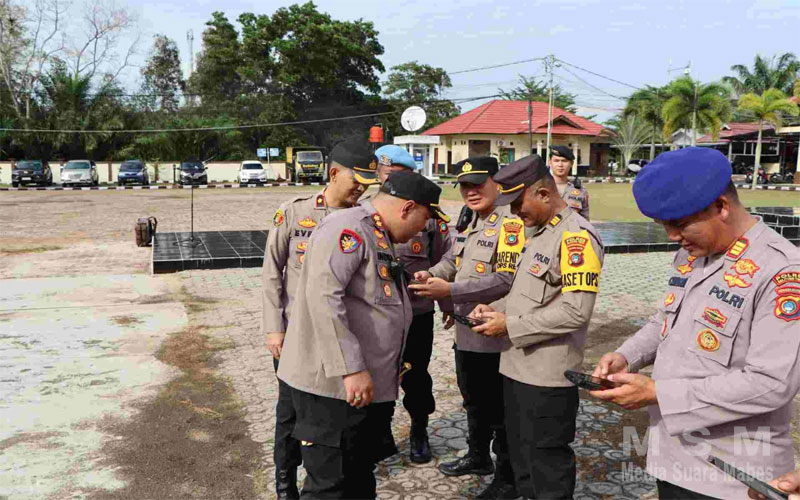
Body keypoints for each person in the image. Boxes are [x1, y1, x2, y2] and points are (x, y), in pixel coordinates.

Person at [590, 147, 800, 499]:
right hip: (672, 457)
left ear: (721, 206)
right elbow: (666, 319)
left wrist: (658, 394)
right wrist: (626, 356)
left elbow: (771, 383)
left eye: (679, 224)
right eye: (664, 226)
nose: (672, 236)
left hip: (734, 476)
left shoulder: (781, 271)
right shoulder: (692, 255)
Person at [277, 171, 448, 499]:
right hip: (334, 391)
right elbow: (323, 297)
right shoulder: (349, 228)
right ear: (407, 208)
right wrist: (351, 367)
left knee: (357, 479)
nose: (421, 230)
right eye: (424, 219)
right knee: (331, 486)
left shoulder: (377, 232)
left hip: (357, 394)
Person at [464, 154, 603, 499]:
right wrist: (494, 309)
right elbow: (526, 294)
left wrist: (509, 326)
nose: (514, 213)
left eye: (518, 203)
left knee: (547, 467)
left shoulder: (576, 237)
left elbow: (575, 312)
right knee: (522, 459)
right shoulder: (539, 232)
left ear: (543, 193)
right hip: (516, 368)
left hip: (547, 376)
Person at [261, 137, 378, 498]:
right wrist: (274, 328)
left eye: (368, 183)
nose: (361, 188)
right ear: (334, 173)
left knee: (332, 417)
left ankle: (333, 471)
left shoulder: (366, 219)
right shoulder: (294, 212)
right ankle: (285, 482)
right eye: (356, 179)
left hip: (339, 337)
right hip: (296, 337)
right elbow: (272, 271)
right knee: (289, 414)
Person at [410, 156, 523, 499]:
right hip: (466, 332)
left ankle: (507, 477)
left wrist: (450, 290)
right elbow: (453, 259)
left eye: (478, 184)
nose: (471, 192)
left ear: (497, 184)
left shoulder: (510, 223)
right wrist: (432, 273)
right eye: (464, 186)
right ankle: (478, 457)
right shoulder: (471, 218)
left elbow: (505, 279)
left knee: (500, 409)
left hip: (494, 333)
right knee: (473, 400)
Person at [370, 144, 454, 464]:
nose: (391, 180)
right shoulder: (363, 212)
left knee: (416, 376)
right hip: (377, 315)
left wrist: (441, 291)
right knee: (379, 373)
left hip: (417, 312)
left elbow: (448, 256)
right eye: (386, 173)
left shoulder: (427, 213)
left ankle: (419, 429)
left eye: (399, 174)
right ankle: (381, 432)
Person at [549, 145, 589, 220]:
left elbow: (585, 220)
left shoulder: (580, 190)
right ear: (550, 162)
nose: (560, 165)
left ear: (571, 163)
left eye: (564, 161)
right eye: (556, 161)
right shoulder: (540, 188)